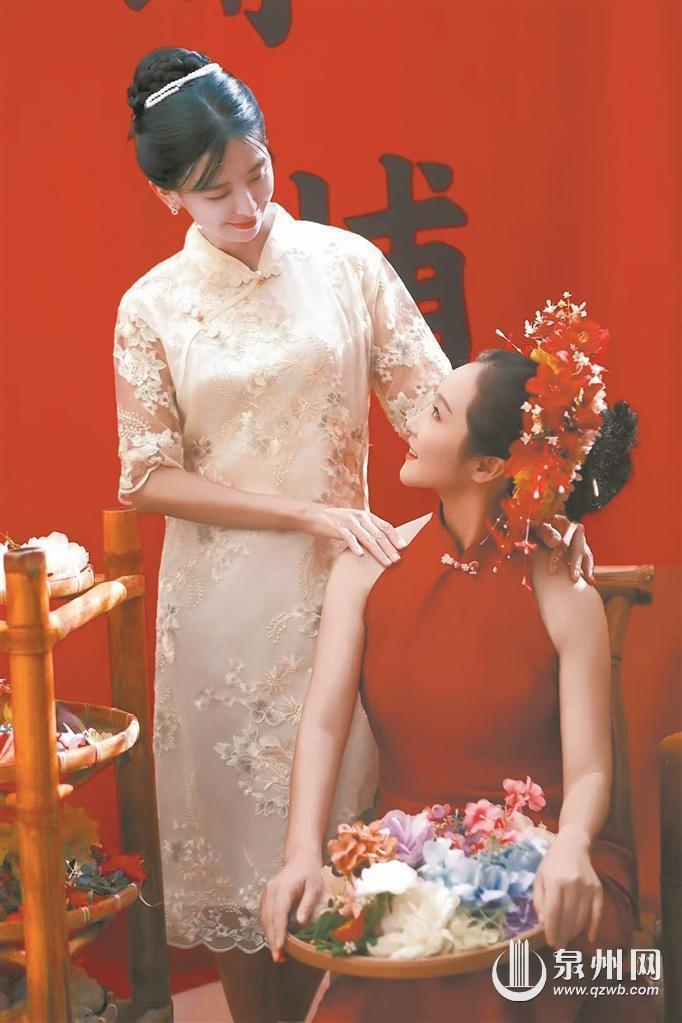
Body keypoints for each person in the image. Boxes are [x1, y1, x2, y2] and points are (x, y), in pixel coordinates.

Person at [116, 47, 593, 1023]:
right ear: (168, 197)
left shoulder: (345, 265)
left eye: (257, 173)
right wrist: (305, 511)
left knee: (352, 874)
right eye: (214, 193)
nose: (248, 205)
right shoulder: (151, 308)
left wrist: (542, 506)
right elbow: (147, 476)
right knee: (246, 894)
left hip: (351, 600)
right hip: (220, 625)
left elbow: (447, 412)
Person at [261, 331, 653, 1021]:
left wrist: (570, 846)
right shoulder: (366, 568)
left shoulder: (562, 584)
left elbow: (591, 768)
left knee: (498, 985)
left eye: (437, 413)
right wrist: (300, 855)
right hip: (405, 859)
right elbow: (322, 724)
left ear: (488, 465)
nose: (413, 424)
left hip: (554, 858)